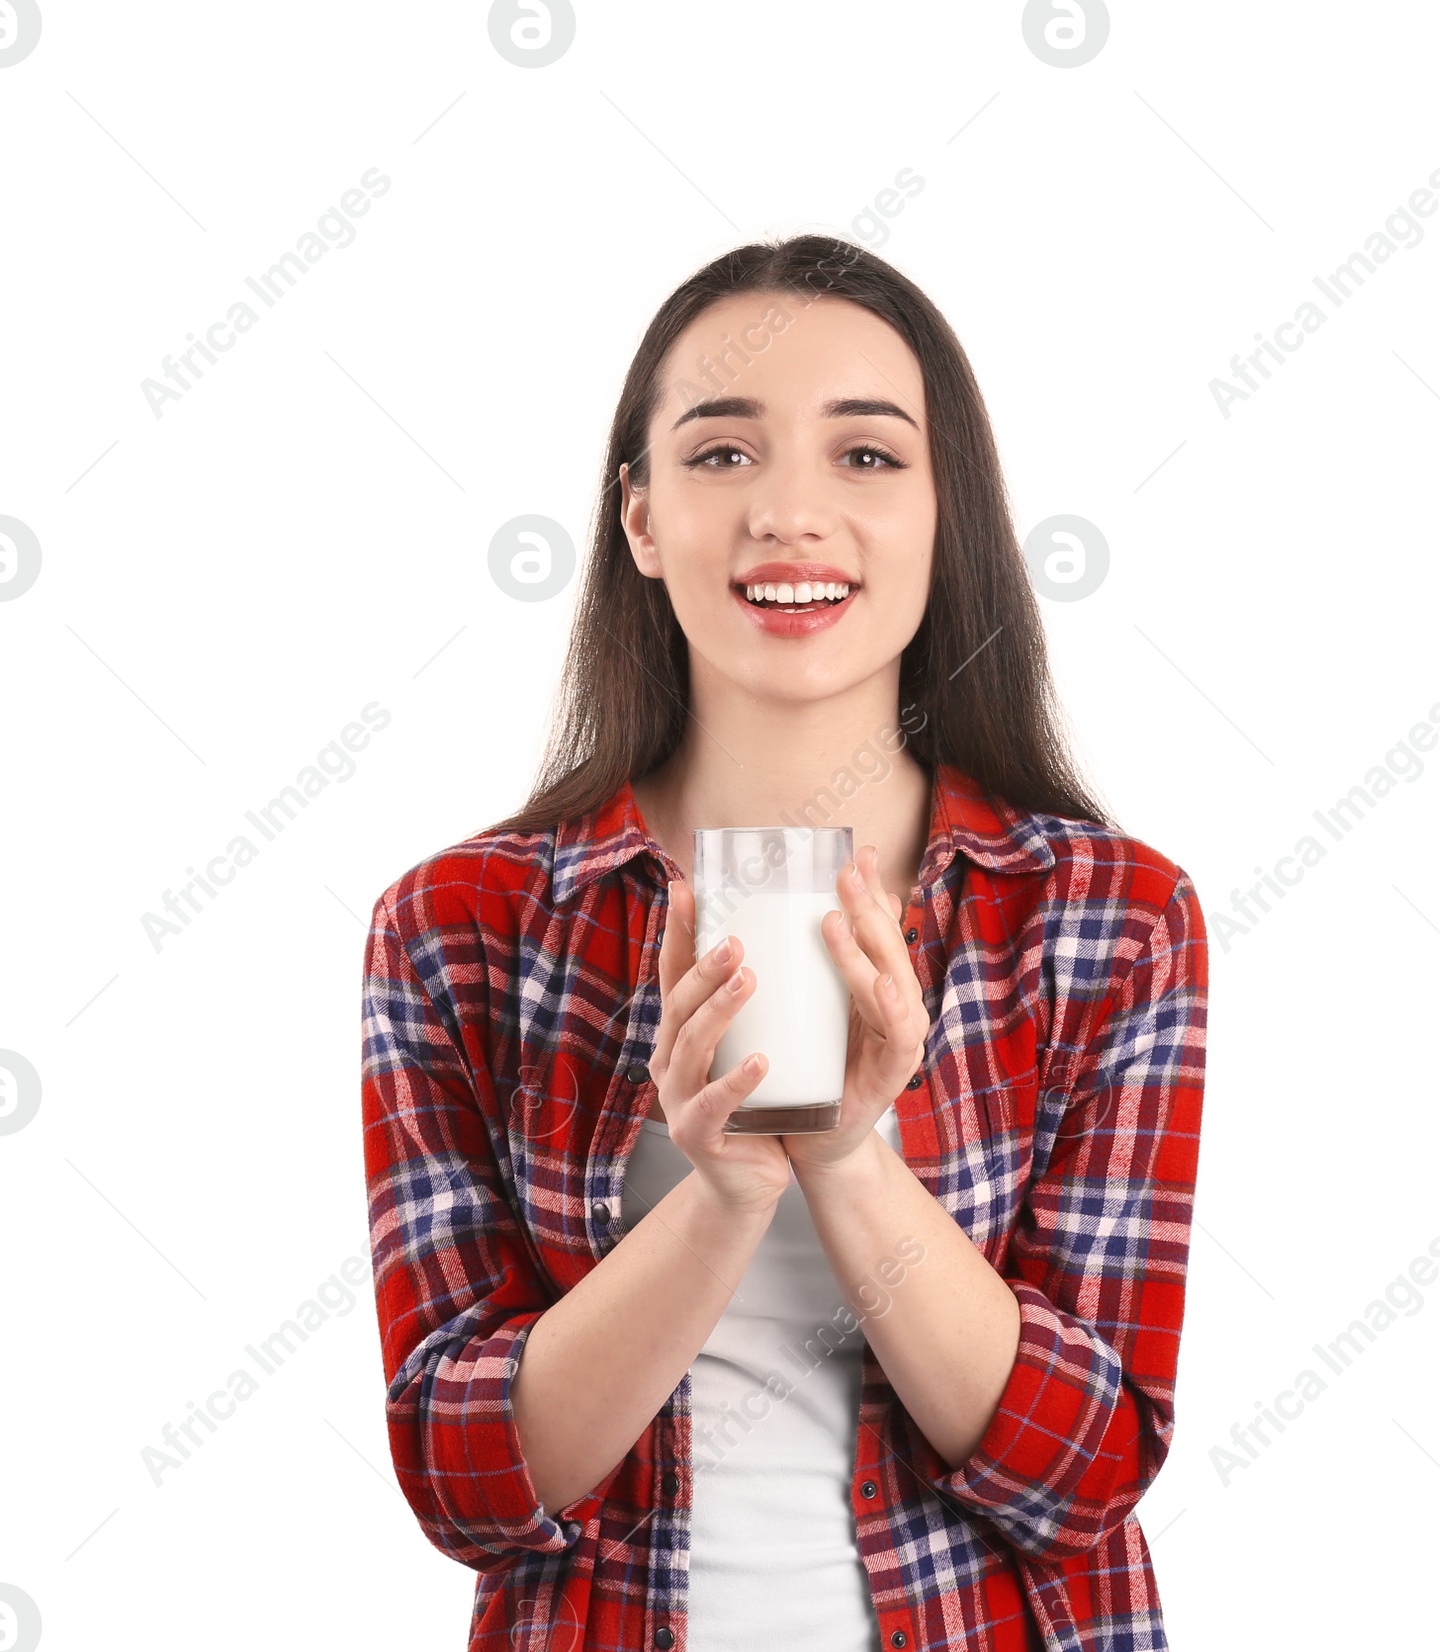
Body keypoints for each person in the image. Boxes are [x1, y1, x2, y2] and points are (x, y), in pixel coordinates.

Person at [360, 234, 1209, 1652]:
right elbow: (466, 1481)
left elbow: (1091, 1469)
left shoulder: (1108, 921)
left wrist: (843, 1156)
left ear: (952, 519)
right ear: (638, 519)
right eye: (722, 455)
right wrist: (723, 1195)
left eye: (869, 458)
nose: (791, 514)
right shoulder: (463, 928)